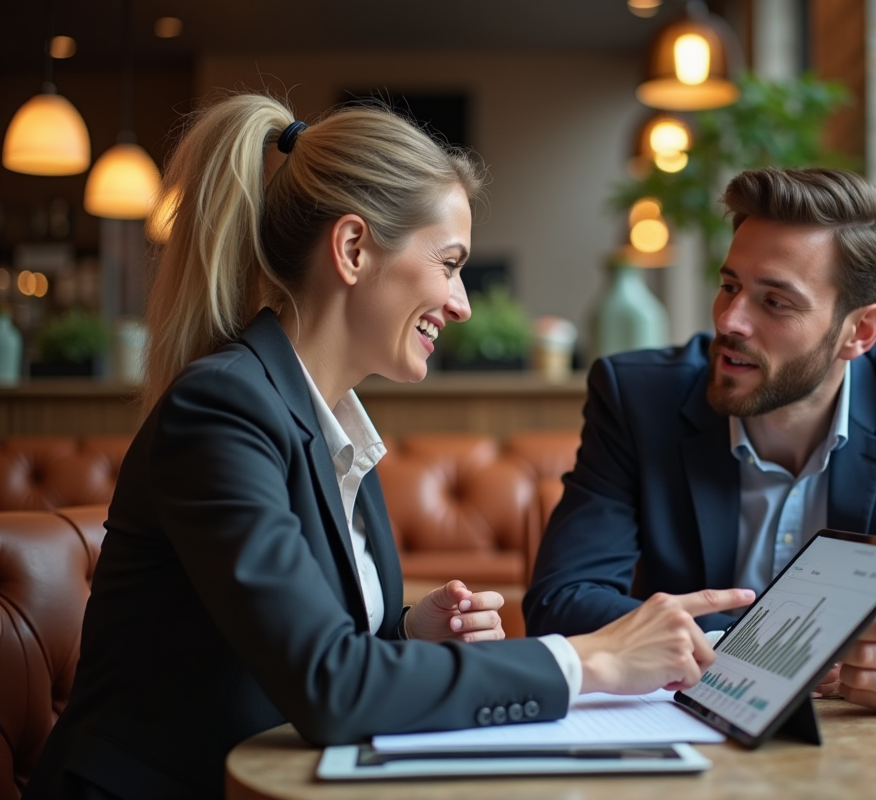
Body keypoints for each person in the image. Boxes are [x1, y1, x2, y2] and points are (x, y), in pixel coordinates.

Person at [24, 95, 754, 800]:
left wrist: (407, 629)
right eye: (449, 263)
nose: (463, 302)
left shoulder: (332, 416)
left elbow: (306, 643)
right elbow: (332, 686)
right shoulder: (223, 408)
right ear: (351, 249)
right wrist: (595, 657)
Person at [525, 166, 876, 716]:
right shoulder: (637, 397)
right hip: (686, 726)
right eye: (729, 286)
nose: (730, 320)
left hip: (868, 744)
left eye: (775, 302)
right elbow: (563, 600)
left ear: (859, 331)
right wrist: (773, 651)